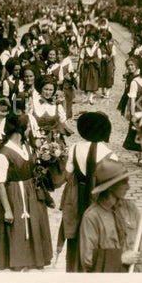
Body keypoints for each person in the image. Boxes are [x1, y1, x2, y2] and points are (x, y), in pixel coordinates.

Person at [58, 112, 118, 272]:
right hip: (98, 200)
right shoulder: (111, 155)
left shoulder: (75, 148)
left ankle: (74, 269)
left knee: (75, 234)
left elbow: (68, 173)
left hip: (77, 197)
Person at [0, 114, 53, 271]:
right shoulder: (3, 154)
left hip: (30, 191)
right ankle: (17, 261)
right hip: (14, 194)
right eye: (27, 128)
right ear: (20, 130)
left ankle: (33, 258)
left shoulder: (26, 146)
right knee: (17, 228)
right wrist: (7, 209)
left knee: (34, 223)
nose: (29, 131)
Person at [78, 158, 142, 272]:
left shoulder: (131, 208)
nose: (128, 187)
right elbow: (87, 259)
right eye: (124, 182)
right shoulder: (92, 217)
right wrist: (119, 258)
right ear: (111, 186)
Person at [78, 30, 101, 105]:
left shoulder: (97, 49)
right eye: (89, 40)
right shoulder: (84, 49)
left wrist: (93, 61)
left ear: (94, 41)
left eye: (91, 40)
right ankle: (87, 98)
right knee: (85, 81)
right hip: (86, 68)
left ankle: (90, 99)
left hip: (94, 68)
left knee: (92, 82)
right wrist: (79, 68)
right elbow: (81, 59)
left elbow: (99, 58)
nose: (90, 42)